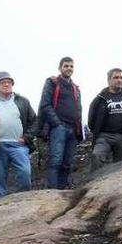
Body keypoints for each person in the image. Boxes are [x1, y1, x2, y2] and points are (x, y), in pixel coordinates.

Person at [0, 71, 37, 200]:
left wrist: (26, 138)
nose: (6, 84)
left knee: (25, 174)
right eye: (3, 82)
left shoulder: (23, 102)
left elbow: (35, 122)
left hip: (19, 145)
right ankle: (0, 209)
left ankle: (20, 202)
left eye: (9, 82)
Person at [38, 57, 83, 189]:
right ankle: (52, 193)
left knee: (67, 163)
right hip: (58, 128)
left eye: (71, 66)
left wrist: (79, 129)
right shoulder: (52, 82)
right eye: (66, 66)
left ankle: (62, 193)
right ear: (60, 68)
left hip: (73, 129)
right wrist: (57, 123)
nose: (69, 68)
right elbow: (45, 105)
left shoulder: (76, 88)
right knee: (55, 161)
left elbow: (79, 109)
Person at [87, 68, 122, 171]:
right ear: (109, 80)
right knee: (97, 156)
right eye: (116, 77)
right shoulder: (100, 98)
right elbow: (91, 120)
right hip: (103, 136)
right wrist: (97, 132)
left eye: (121, 77)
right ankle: (95, 183)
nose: (119, 80)